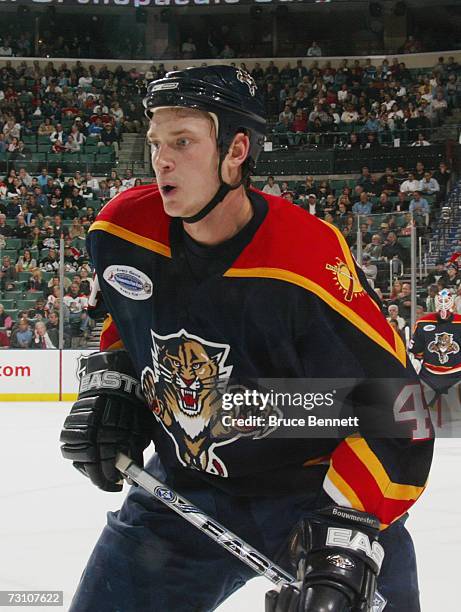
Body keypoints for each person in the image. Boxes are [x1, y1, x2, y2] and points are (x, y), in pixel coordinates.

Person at [60, 65, 433, 612]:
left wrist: (346, 536)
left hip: (315, 498)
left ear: (236, 151)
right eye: (156, 142)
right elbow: (128, 322)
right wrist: (114, 387)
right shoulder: (120, 232)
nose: (161, 159)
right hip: (182, 494)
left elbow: (401, 411)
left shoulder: (306, 259)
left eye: (183, 141)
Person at [409, 289, 461, 396]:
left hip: (457, 375)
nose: (443, 306)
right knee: (427, 409)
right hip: (429, 376)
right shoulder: (423, 323)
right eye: (441, 301)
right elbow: (416, 350)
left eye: (446, 301)